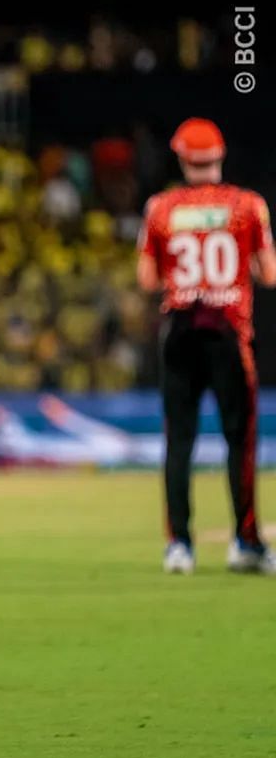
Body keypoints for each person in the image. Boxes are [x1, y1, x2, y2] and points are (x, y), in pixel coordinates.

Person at [137, 117, 276, 575]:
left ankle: (179, 546)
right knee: (241, 441)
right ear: (220, 157)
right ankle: (245, 543)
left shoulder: (161, 207)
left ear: (181, 159)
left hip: (179, 331)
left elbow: (147, 280)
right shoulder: (247, 205)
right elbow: (269, 273)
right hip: (228, 333)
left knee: (179, 441)